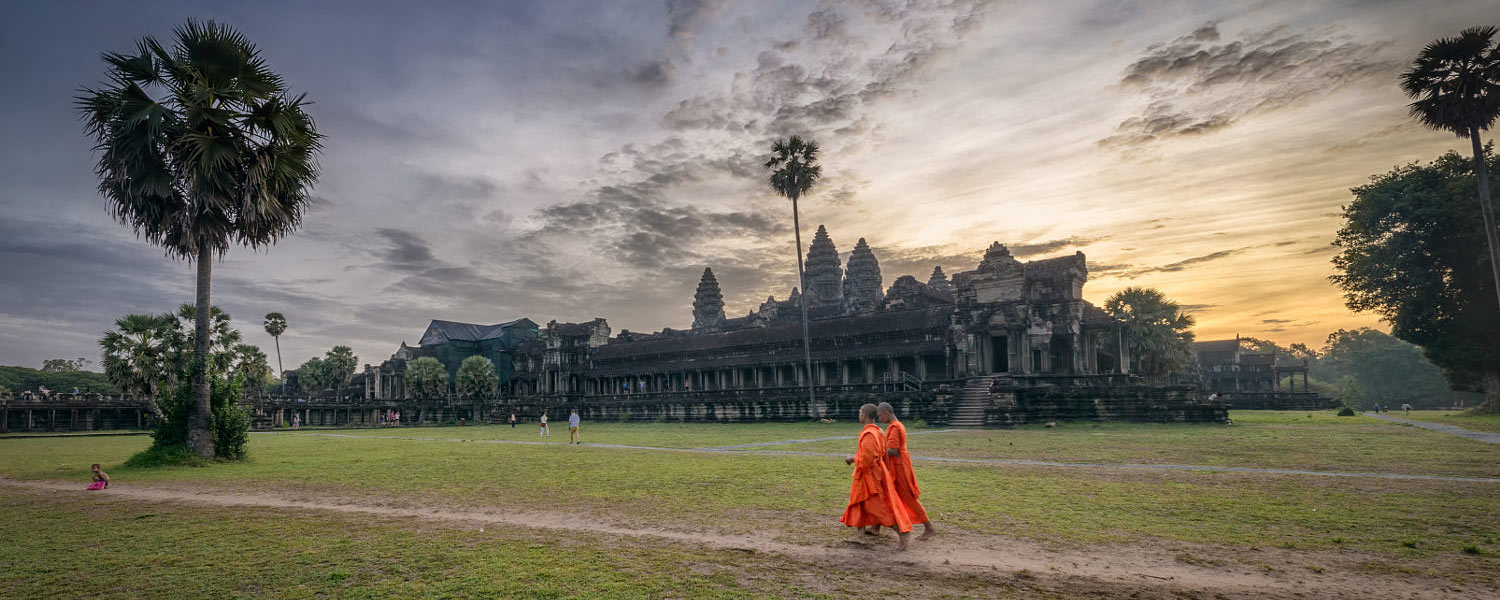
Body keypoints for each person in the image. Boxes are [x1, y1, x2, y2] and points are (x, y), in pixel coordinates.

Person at [840, 403, 913, 550]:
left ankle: (903, 533)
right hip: (867, 474)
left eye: (860, 412)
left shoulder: (869, 434)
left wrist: (852, 459)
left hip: (869, 475)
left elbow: (867, 459)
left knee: (877, 508)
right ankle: (860, 537)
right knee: (858, 503)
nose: (859, 415)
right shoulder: (878, 431)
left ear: (865, 414)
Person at [876, 402, 937, 541]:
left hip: (899, 467)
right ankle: (876, 526)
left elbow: (892, 450)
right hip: (897, 465)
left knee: (907, 497)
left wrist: (876, 451)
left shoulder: (895, 428)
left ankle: (929, 527)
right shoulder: (897, 426)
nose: (879, 419)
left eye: (880, 416)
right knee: (886, 495)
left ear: (886, 413)